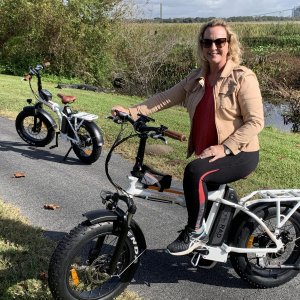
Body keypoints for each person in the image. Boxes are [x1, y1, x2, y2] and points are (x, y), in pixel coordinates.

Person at [112, 18, 264, 256]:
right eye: (207, 42)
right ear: (201, 46)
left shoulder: (242, 77)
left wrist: (224, 148)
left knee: (195, 172)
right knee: (194, 181)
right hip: (210, 152)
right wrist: (132, 111)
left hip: (240, 153)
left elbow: (256, 122)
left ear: (229, 44)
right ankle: (210, 241)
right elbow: (164, 98)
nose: (213, 47)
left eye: (219, 41)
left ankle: (195, 232)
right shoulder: (196, 79)